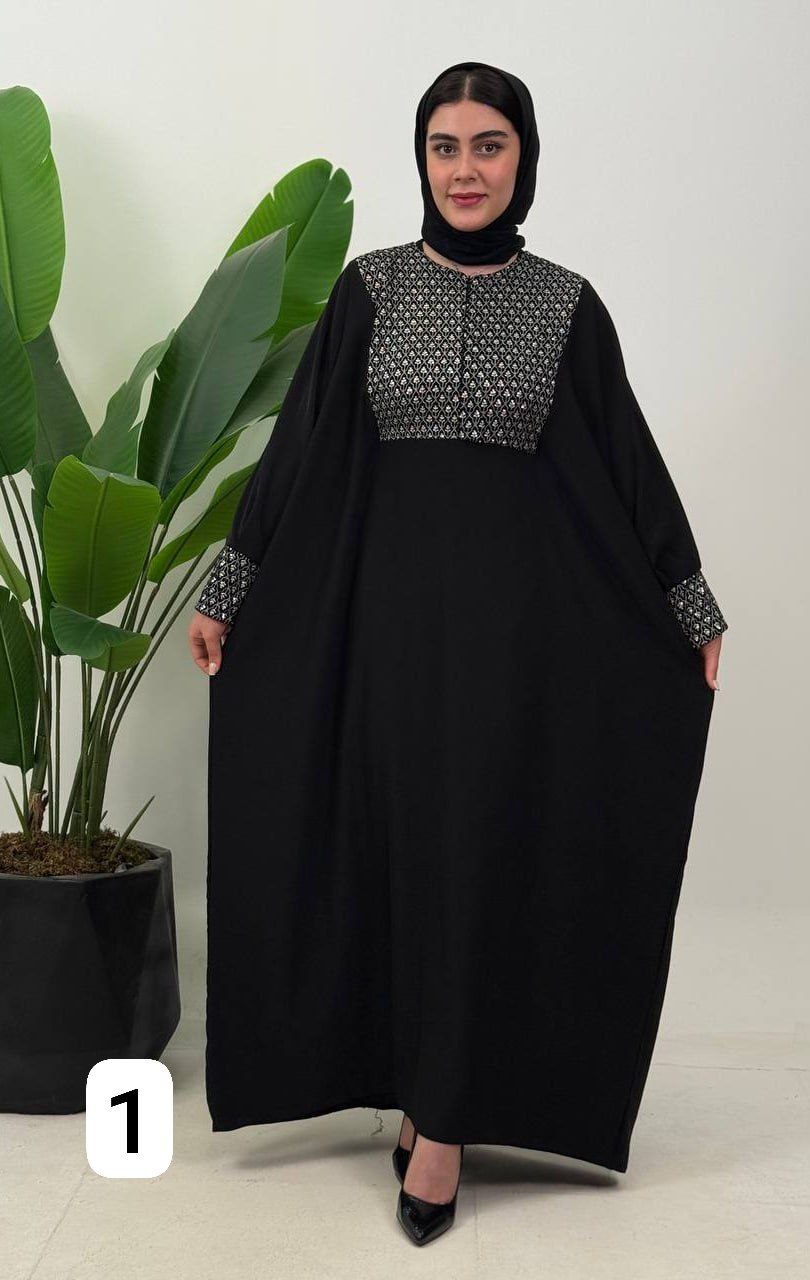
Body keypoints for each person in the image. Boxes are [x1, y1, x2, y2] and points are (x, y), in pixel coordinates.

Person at [188, 60, 728, 1248]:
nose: (467, 169)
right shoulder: (371, 289)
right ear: (422, 158)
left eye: (490, 145)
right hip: (382, 637)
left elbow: (628, 463)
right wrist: (235, 583)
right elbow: (299, 449)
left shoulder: (566, 305)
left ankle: (442, 1124)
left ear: (523, 158)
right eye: (446, 145)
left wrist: (689, 604)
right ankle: (421, 1086)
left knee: (484, 854)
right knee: (400, 856)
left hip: (517, 647)